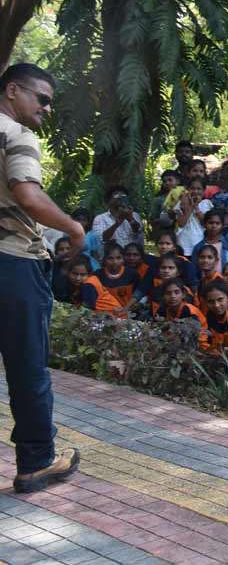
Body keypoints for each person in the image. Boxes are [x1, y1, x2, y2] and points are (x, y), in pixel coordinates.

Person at [0, 63, 85, 492]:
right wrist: (73, 228)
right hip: (12, 263)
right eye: (42, 98)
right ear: (12, 91)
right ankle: (36, 463)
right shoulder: (16, 135)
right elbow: (29, 197)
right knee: (27, 367)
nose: (47, 108)